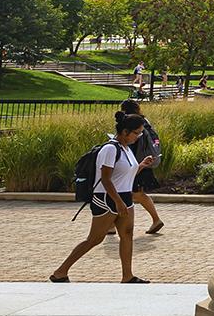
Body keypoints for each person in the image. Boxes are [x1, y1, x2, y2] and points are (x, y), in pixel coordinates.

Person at [50, 114, 154, 284]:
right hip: (107, 197)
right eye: (137, 133)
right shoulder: (110, 149)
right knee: (95, 239)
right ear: (125, 131)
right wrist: (118, 202)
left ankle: (127, 276)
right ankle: (60, 271)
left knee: (127, 234)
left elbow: (126, 174)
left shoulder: (126, 148)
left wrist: (141, 165)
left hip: (125, 195)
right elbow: (106, 179)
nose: (138, 137)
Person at [117, 100, 165, 235]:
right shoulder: (145, 121)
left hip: (136, 163)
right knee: (132, 194)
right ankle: (111, 225)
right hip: (144, 161)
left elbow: (130, 143)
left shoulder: (131, 123)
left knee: (134, 194)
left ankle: (156, 219)